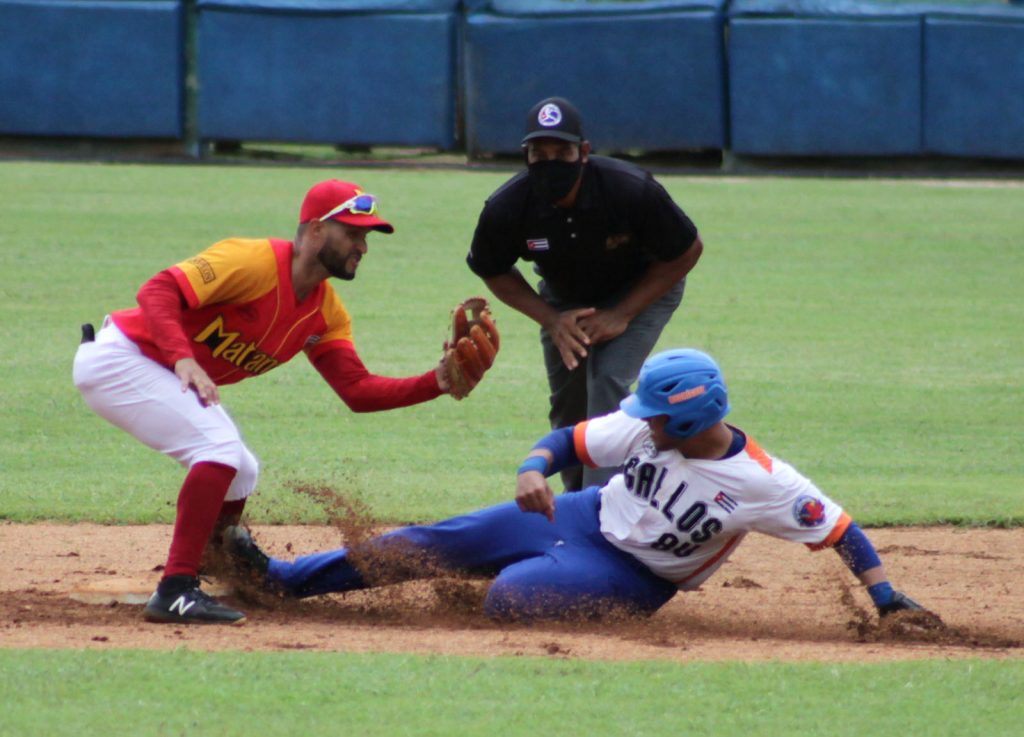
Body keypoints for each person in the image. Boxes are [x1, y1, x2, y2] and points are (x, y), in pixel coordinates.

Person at [225, 348, 930, 624]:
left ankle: (526, 574)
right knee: (424, 541)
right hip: (579, 514)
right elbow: (566, 442)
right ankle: (281, 579)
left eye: (656, 417)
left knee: (510, 600)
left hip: (634, 573)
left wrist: (886, 599)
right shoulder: (645, 428)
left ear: (692, 419)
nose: (640, 426)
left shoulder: (763, 484)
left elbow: (841, 529)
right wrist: (533, 467)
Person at [73, 179, 467, 626]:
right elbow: (158, 290)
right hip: (121, 358)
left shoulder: (325, 313)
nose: (363, 246)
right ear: (317, 230)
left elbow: (356, 391)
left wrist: (435, 381)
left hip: (160, 370)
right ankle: (176, 591)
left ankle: (217, 568)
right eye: (353, 234)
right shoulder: (253, 260)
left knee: (241, 471)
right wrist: (183, 358)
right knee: (218, 448)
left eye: (366, 237)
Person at [466, 96, 703, 491]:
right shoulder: (508, 206)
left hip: (642, 290)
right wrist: (551, 319)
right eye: (539, 153)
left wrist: (622, 313)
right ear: (525, 155)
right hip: (564, 299)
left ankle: (603, 504)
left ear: (584, 152)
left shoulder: (629, 189)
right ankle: (576, 499)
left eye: (563, 151)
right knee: (568, 403)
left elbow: (686, 251)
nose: (551, 162)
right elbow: (491, 269)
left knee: (606, 379)